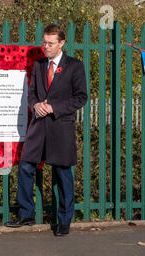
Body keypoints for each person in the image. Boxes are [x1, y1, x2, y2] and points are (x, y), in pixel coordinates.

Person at [5, 24, 88, 236]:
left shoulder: (75, 66)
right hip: (39, 126)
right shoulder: (39, 64)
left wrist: (54, 107)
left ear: (62, 43)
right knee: (25, 166)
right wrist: (36, 105)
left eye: (50, 43)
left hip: (61, 127)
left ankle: (64, 220)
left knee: (62, 174)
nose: (46, 47)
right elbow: (31, 92)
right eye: (44, 42)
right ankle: (26, 214)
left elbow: (81, 97)